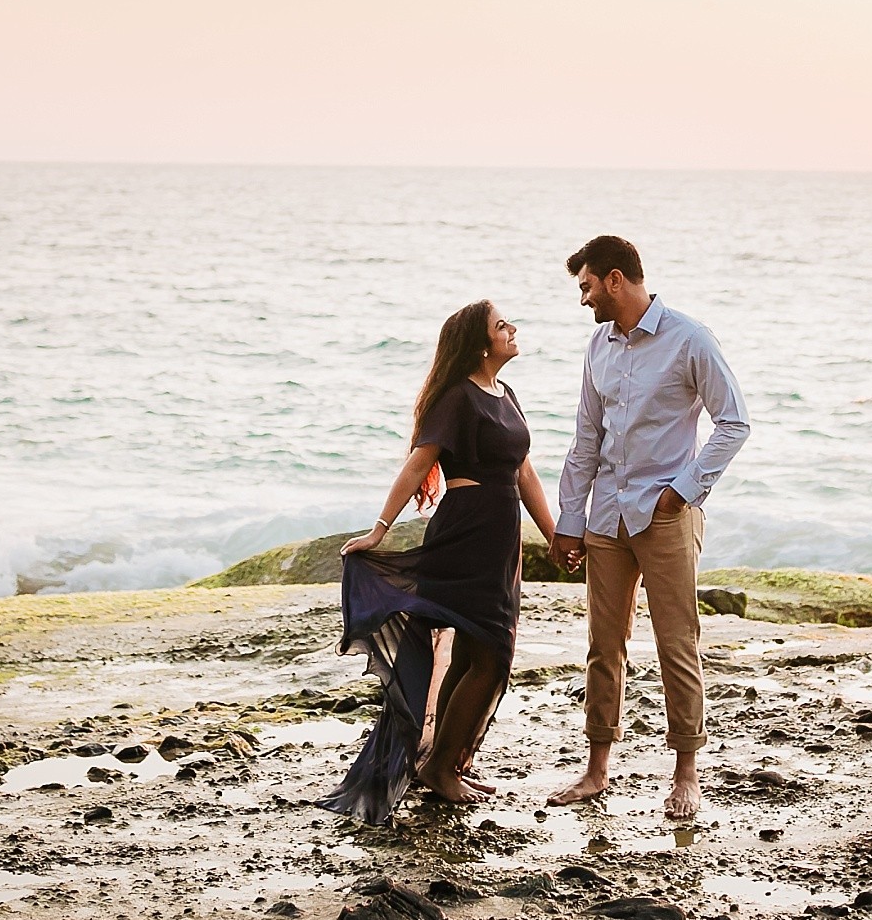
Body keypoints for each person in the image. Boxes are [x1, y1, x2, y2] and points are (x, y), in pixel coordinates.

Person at [319, 300, 560, 824]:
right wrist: (379, 529)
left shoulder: (507, 395)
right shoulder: (456, 398)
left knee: (479, 652)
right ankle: (439, 768)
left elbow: (525, 476)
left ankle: (450, 759)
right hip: (467, 532)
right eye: (502, 326)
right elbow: (418, 465)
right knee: (492, 654)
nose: (512, 329)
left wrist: (556, 537)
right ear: (480, 343)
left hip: (501, 539)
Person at [548, 236, 749, 821]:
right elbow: (587, 439)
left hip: (665, 516)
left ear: (615, 280)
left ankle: (686, 772)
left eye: (586, 286)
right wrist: (569, 519)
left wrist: (682, 490)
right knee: (602, 645)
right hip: (606, 517)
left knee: (675, 641)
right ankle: (596, 768)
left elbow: (733, 423)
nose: (583, 299)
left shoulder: (690, 338)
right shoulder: (597, 346)